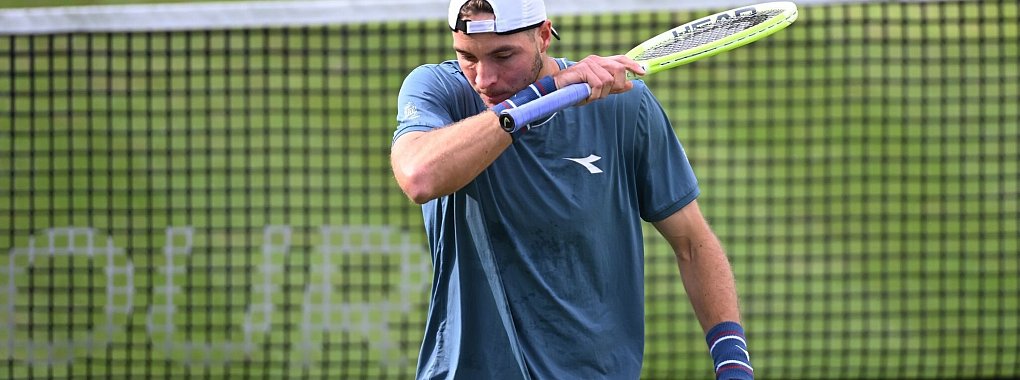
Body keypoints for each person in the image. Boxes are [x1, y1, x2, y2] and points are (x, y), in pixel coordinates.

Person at [390, 0, 753, 379]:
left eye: (503, 56)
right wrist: (539, 96)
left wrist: (732, 360)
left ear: (544, 36)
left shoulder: (625, 107)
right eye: (467, 57)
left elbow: (692, 243)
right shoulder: (439, 91)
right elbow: (419, 177)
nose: (483, 79)